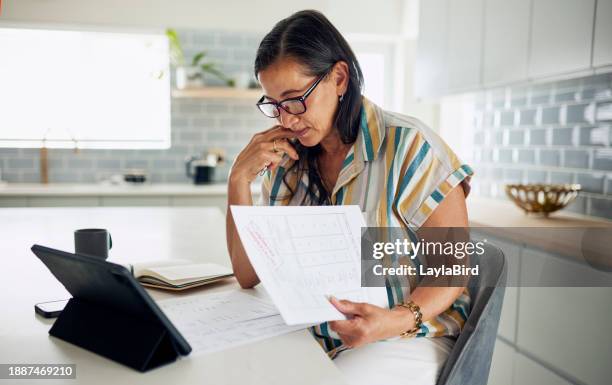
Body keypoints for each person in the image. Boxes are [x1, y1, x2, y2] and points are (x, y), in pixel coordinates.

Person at [226, 9, 474, 385]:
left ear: (339, 78)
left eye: (294, 99)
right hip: (319, 338)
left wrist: (395, 320)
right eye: (274, 104)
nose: (286, 119)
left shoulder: (410, 145)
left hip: (405, 336)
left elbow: (452, 267)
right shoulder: (286, 161)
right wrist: (238, 179)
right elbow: (247, 275)